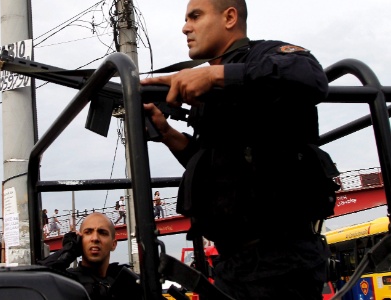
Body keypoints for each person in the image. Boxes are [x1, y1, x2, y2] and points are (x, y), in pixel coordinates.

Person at [141, 0, 339, 299]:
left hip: (281, 259)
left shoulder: (265, 55)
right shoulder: (210, 92)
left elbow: (310, 76)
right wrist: (167, 132)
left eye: (195, 16)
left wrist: (214, 76)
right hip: (232, 262)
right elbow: (212, 166)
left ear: (229, 17)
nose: (185, 27)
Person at [38, 212, 142, 300]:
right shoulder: (66, 281)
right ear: (80, 240)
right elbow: (37, 280)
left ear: (113, 244)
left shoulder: (126, 283)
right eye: (88, 232)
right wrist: (68, 251)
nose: (95, 238)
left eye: (102, 233)